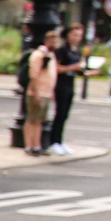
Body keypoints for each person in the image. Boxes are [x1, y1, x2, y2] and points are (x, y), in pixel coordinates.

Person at [23, 27, 59, 152]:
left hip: (46, 93)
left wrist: (51, 91)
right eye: (52, 41)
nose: (54, 44)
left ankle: (36, 145)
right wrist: (36, 92)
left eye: (56, 41)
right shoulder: (38, 55)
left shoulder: (51, 56)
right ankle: (29, 145)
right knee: (32, 119)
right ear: (46, 41)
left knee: (39, 121)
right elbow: (34, 74)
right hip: (36, 92)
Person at [48, 25, 82, 153]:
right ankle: (53, 141)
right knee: (59, 113)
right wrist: (72, 68)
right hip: (61, 84)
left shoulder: (76, 51)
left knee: (65, 115)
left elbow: (77, 69)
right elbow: (57, 67)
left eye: (79, 35)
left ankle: (60, 141)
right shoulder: (62, 50)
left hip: (70, 84)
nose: (77, 38)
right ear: (68, 35)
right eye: (75, 35)